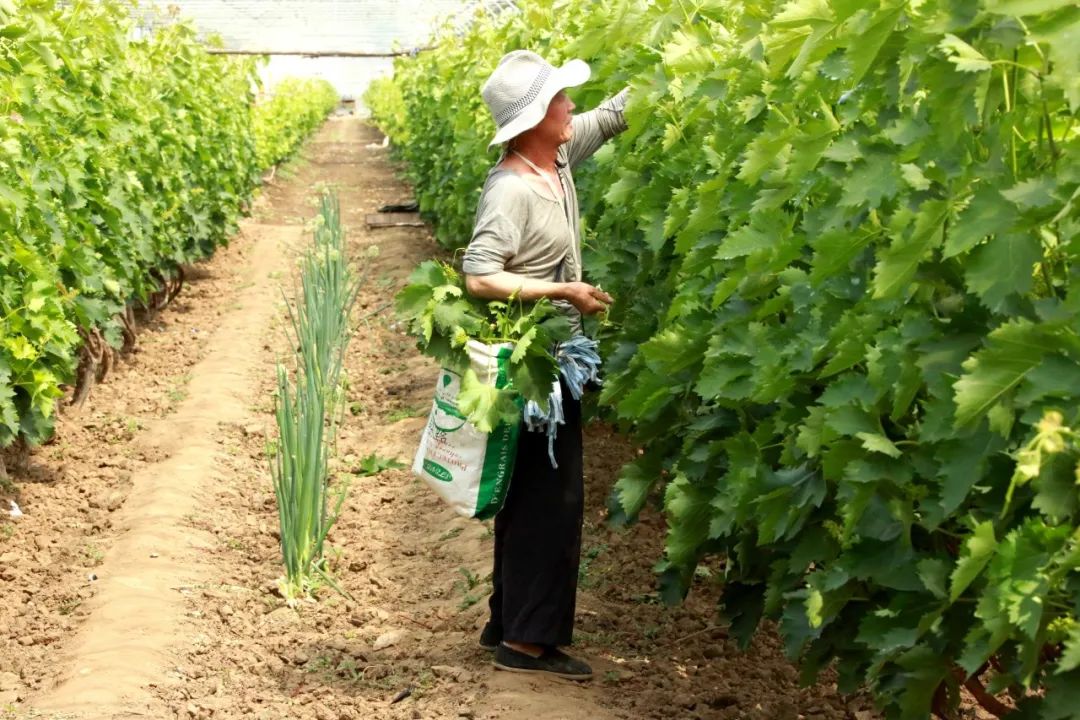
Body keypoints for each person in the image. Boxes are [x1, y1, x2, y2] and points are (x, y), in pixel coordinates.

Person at [461, 50, 629, 680]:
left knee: (534, 491)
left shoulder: (555, 159)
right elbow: (479, 276)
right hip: (534, 366)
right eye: (561, 100)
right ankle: (527, 642)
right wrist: (561, 293)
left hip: (562, 359)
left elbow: (613, 116)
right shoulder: (511, 188)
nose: (572, 108)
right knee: (547, 498)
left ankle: (509, 621)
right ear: (534, 117)